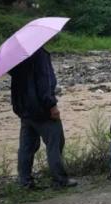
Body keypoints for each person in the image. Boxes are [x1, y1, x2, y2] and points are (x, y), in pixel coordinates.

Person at [9, 47, 77, 189]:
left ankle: (25, 182)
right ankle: (60, 180)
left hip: (24, 109)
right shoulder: (40, 54)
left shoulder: (15, 57)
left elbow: (16, 83)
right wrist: (52, 106)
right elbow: (44, 82)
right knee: (56, 143)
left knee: (26, 147)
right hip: (41, 109)